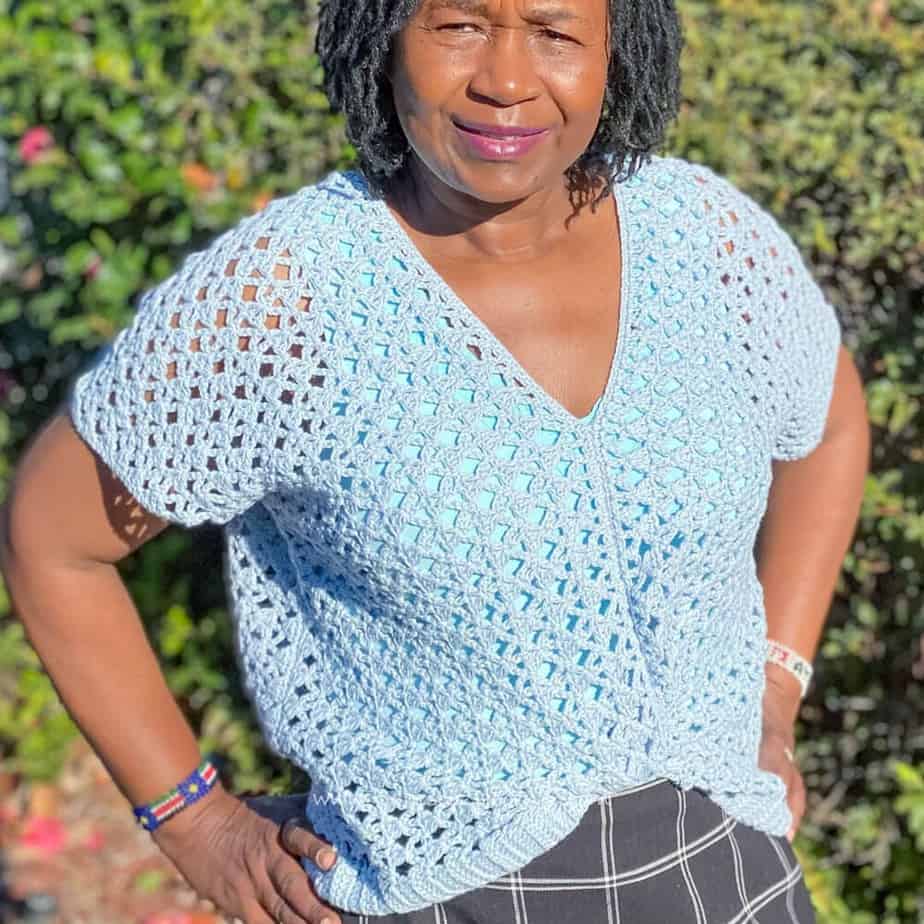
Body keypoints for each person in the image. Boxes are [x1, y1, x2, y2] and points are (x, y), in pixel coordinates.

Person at [0, 0, 871, 922]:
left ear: (620, 49)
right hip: (442, 895)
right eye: (457, 26)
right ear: (383, 41)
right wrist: (193, 823)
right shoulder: (284, 297)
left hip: (729, 877)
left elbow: (831, 426)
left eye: (555, 32)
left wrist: (777, 683)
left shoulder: (702, 236)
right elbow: (53, 543)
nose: (505, 79)